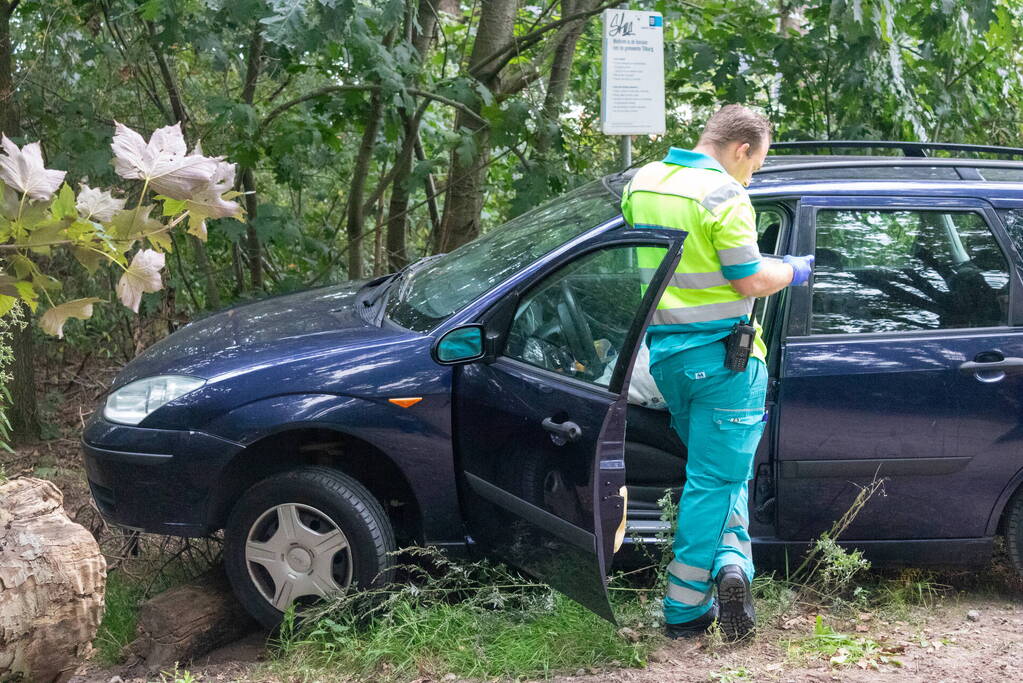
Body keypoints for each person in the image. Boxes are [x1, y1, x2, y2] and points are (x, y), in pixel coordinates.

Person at [620, 105, 814, 641]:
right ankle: (684, 611)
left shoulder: (646, 182)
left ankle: (734, 566)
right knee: (714, 481)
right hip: (724, 363)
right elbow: (749, 278)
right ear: (742, 148)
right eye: (756, 163)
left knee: (723, 473)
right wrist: (794, 269)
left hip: (668, 360)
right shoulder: (724, 194)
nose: (753, 175)